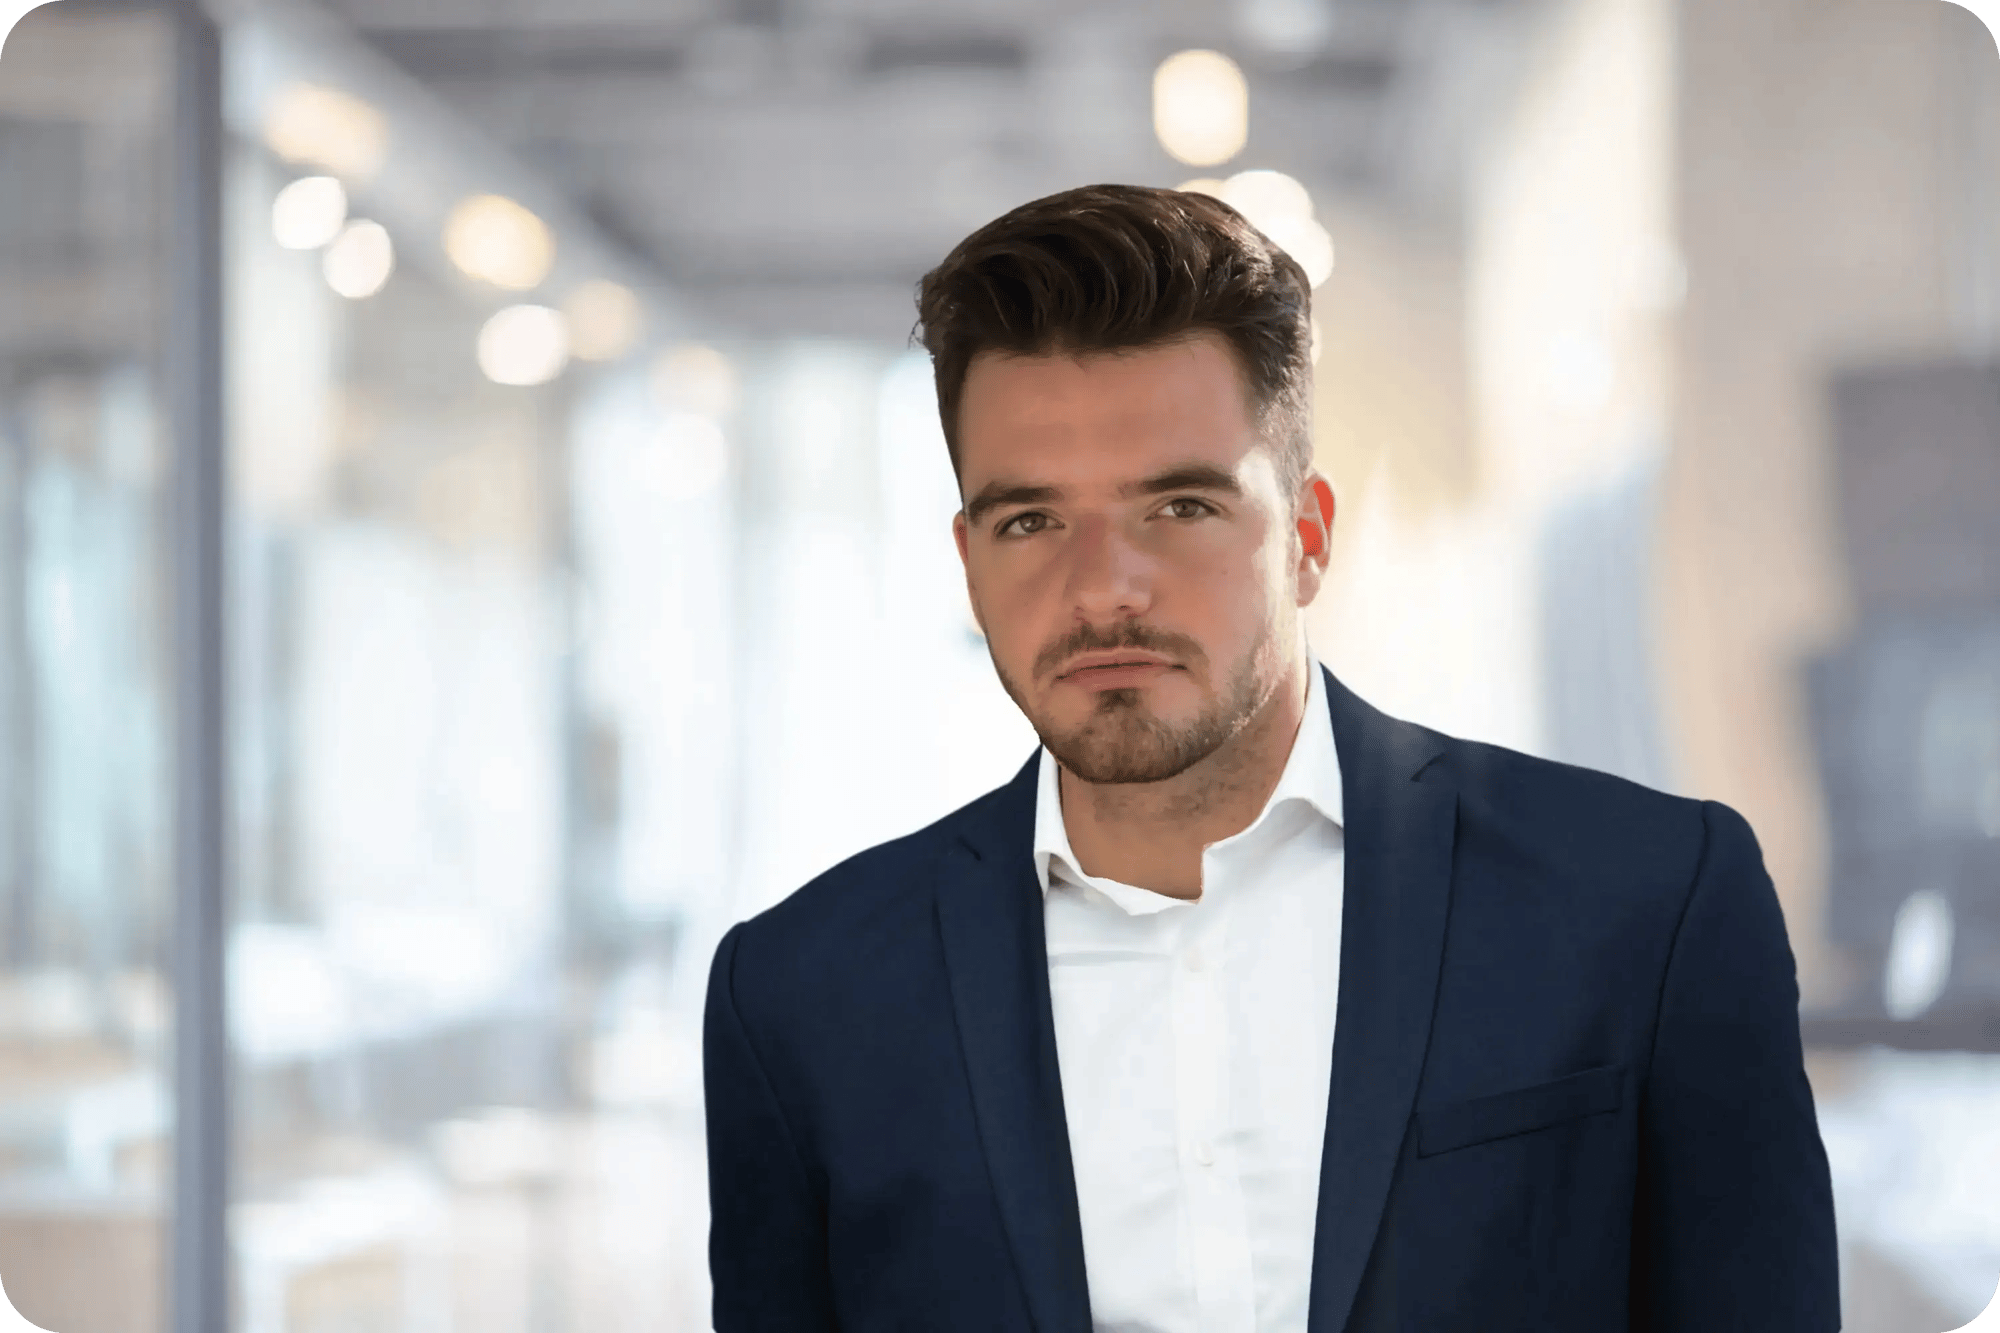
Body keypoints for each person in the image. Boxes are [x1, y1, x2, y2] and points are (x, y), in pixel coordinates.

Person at [702, 184, 1840, 1332]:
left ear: (1304, 534)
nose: (1102, 586)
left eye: (1180, 505)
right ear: (966, 558)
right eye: (1030, 521)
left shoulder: (1646, 903)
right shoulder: (799, 1001)